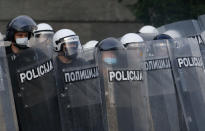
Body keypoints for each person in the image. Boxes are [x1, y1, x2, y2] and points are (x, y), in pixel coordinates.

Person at [5, 15, 61, 131]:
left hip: (36, 110)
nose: (23, 38)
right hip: (12, 110)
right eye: (20, 35)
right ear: (11, 36)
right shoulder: (3, 56)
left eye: (26, 35)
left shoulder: (37, 54)